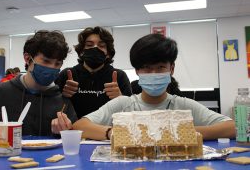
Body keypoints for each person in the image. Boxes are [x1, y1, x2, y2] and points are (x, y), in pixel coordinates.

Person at [73, 33, 235, 140]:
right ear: (137, 71)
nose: (153, 73)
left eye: (160, 67)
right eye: (146, 68)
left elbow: (232, 127)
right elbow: (80, 126)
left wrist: (184, 132)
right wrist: (112, 132)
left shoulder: (184, 105)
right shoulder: (123, 104)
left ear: (171, 69)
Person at [0, 30, 77, 136]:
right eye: (46, 61)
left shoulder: (62, 100)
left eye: (58, 64)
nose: (52, 67)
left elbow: (73, 137)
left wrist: (63, 133)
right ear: (27, 58)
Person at [55, 26, 132, 118]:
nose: (95, 48)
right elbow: (52, 105)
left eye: (102, 46)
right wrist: (62, 95)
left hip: (106, 130)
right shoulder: (67, 74)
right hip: (73, 130)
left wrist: (120, 98)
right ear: (81, 52)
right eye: (89, 45)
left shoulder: (119, 76)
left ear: (108, 53)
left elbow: (130, 112)